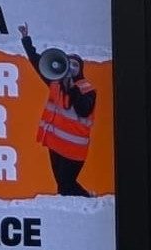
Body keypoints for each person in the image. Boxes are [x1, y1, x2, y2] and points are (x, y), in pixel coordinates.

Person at [20, 23, 96, 196]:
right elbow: (37, 62)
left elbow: (83, 110)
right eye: (69, 64)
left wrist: (73, 89)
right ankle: (88, 199)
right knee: (62, 185)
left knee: (66, 186)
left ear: (81, 69)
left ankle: (89, 200)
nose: (72, 68)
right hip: (56, 143)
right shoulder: (56, 83)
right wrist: (26, 39)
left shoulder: (87, 88)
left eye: (76, 65)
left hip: (74, 148)